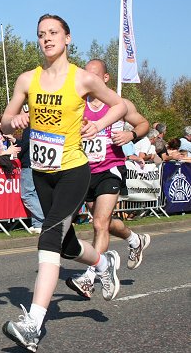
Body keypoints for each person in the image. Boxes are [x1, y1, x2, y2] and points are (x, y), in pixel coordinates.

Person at [0, 14, 127, 352]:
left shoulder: (83, 79)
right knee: (68, 245)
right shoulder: (28, 80)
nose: (47, 39)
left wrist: (99, 127)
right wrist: (15, 120)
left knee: (50, 236)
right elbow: (3, 123)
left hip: (73, 170)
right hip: (42, 173)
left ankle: (33, 324)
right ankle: (104, 263)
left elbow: (121, 105)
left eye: (53, 33)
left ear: (68, 38)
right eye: (41, 34)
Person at [65, 59, 151, 299]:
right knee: (106, 222)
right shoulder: (78, 104)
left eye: (95, 76)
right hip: (85, 170)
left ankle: (91, 276)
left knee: (99, 224)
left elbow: (143, 124)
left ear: (105, 79)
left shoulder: (120, 104)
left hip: (111, 168)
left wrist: (130, 134)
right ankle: (135, 240)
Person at [17, 125, 44, 234]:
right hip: (38, 163)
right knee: (35, 194)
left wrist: (18, 154)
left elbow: (25, 145)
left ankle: (43, 217)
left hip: (29, 163)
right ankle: (37, 224)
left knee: (27, 195)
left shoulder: (29, 127)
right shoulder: (40, 126)